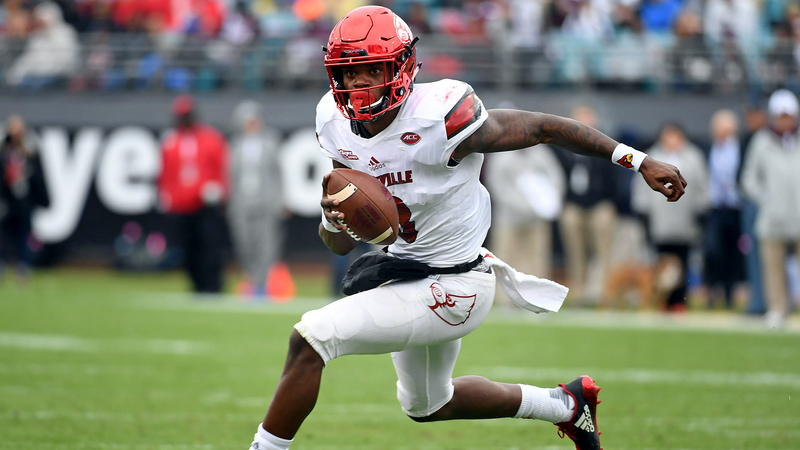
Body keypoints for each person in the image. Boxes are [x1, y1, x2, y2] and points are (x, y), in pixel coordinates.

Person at [247, 6, 686, 450]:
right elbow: (339, 244)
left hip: (458, 284)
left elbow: (544, 128)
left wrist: (637, 159)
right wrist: (333, 215)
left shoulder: (442, 115)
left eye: (370, 70)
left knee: (312, 338)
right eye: (349, 73)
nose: (357, 84)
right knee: (428, 405)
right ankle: (568, 406)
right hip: (405, 273)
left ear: (399, 67)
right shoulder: (333, 123)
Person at [633, 123, 709, 312]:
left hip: (685, 222)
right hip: (659, 221)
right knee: (657, 264)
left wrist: (701, 212)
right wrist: (644, 215)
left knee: (682, 265)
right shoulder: (650, 156)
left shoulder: (693, 157)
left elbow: (702, 186)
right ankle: (659, 301)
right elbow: (641, 188)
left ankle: (679, 301)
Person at [157, 95, 229, 293]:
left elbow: (220, 166)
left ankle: (213, 286)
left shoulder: (210, 138)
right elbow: (166, 172)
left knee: (210, 247)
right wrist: (166, 194)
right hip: (181, 205)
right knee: (187, 249)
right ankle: (196, 284)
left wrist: (220, 189)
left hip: (205, 204)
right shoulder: (171, 141)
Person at [740, 89, 800, 329]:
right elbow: (748, 179)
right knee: (772, 268)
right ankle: (777, 309)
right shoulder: (762, 141)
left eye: (789, 116)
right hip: (772, 216)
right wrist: (767, 198)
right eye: (781, 116)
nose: (785, 121)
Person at [558, 105, 621, 305]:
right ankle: (579, 292)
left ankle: (604, 292)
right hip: (574, 204)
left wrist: (611, 202)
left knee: (604, 232)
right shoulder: (562, 147)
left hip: (600, 203)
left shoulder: (606, 146)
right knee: (571, 229)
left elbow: (615, 180)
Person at [228, 100, 284, 297]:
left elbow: (279, 174)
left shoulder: (270, 142)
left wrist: (280, 200)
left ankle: (262, 285)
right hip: (242, 203)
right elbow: (230, 177)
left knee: (266, 244)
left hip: (266, 201)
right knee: (245, 243)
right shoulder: (235, 146)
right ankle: (251, 279)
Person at [0, 115, 49, 281]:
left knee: (23, 236)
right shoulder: (4, 153)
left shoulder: (29, 153)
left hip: (23, 203)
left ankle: (23, 267)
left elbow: (38, 178)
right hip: (6, 201)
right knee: (3, 235)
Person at [704, 109, 744, 309]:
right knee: (713, 252)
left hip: (735, 207)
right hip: (715, 208)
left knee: (733, 253)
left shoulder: (740, 149)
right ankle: (711, 292)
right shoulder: (708, 149)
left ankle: (729, 295)